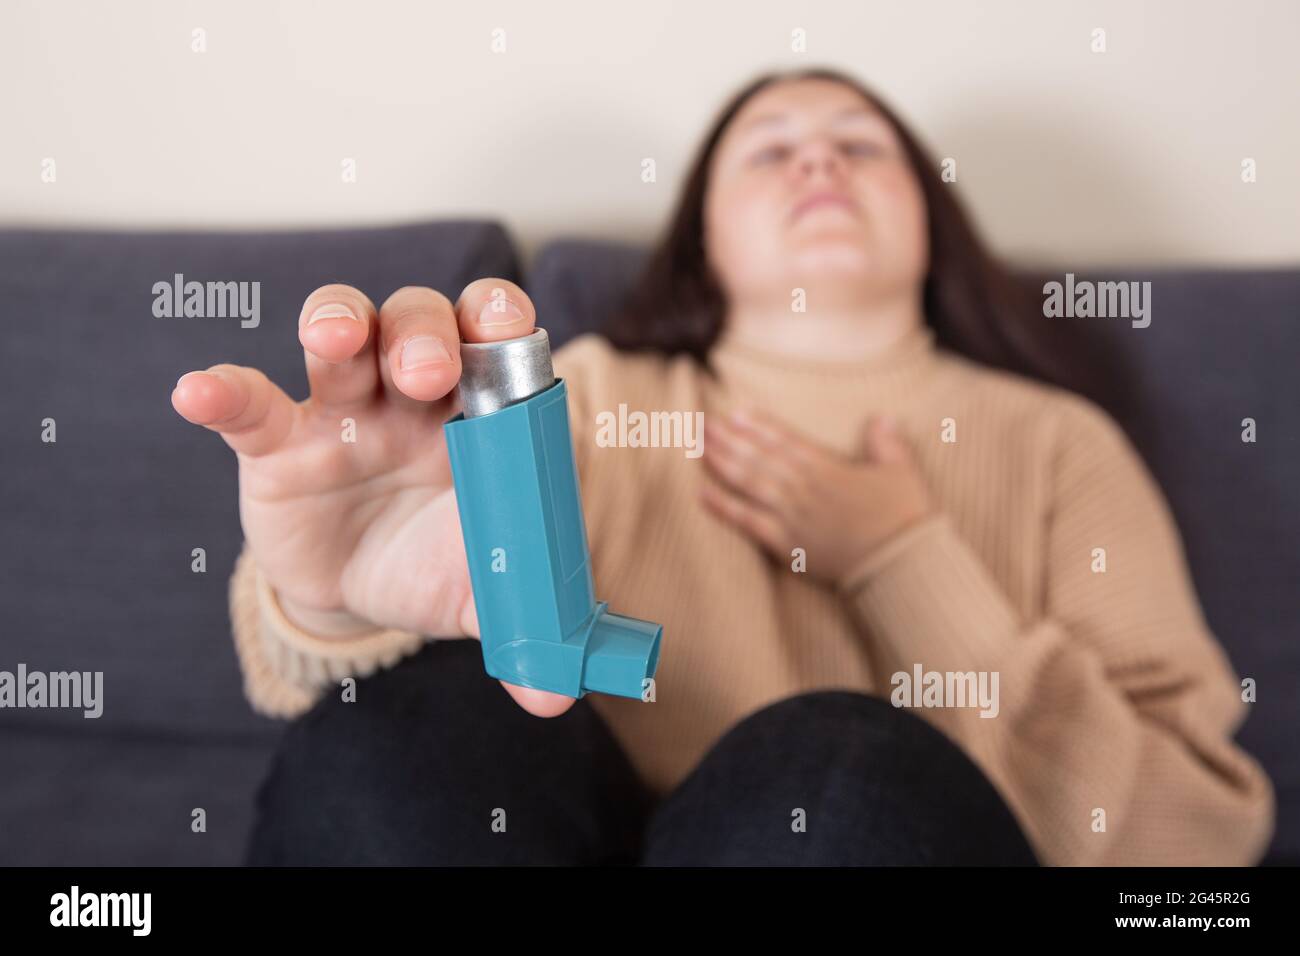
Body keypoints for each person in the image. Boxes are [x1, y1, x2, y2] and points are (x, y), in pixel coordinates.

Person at [171, 67, 1275, 866]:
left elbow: (1193, 839)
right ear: (702, 235)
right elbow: (327, 710)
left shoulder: (1057, 442)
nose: (817, 159)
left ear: (931, 221)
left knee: (828, 763)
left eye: (860, 142)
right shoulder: (587, 395)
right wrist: (329, 605)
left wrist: (901, 555)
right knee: (407, 723)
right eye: (768, 147)